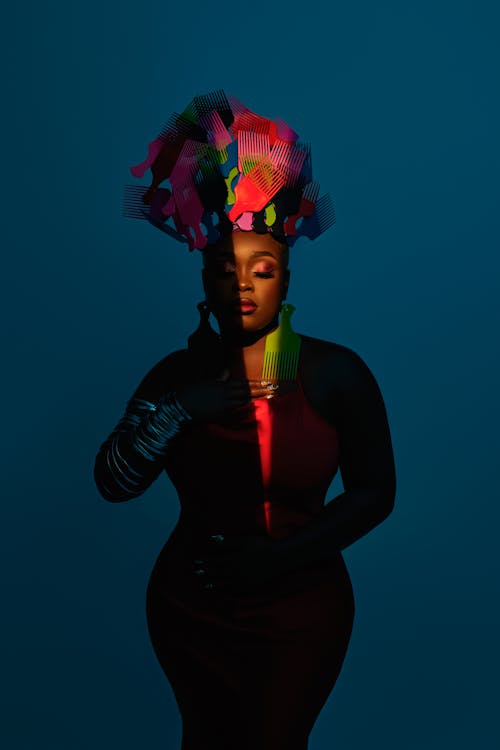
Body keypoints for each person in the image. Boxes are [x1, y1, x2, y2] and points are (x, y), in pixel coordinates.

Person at [93, 90, 396, 750]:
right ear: (204, 279)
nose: (243, 287)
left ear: (286, 279)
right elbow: (112, 483)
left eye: (262, 270)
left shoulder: (336, 374)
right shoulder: (176, 376)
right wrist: (180, 411)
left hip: (300, 610)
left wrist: (280, 559)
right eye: (225, 271)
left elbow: (377, 493)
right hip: (191, 610)